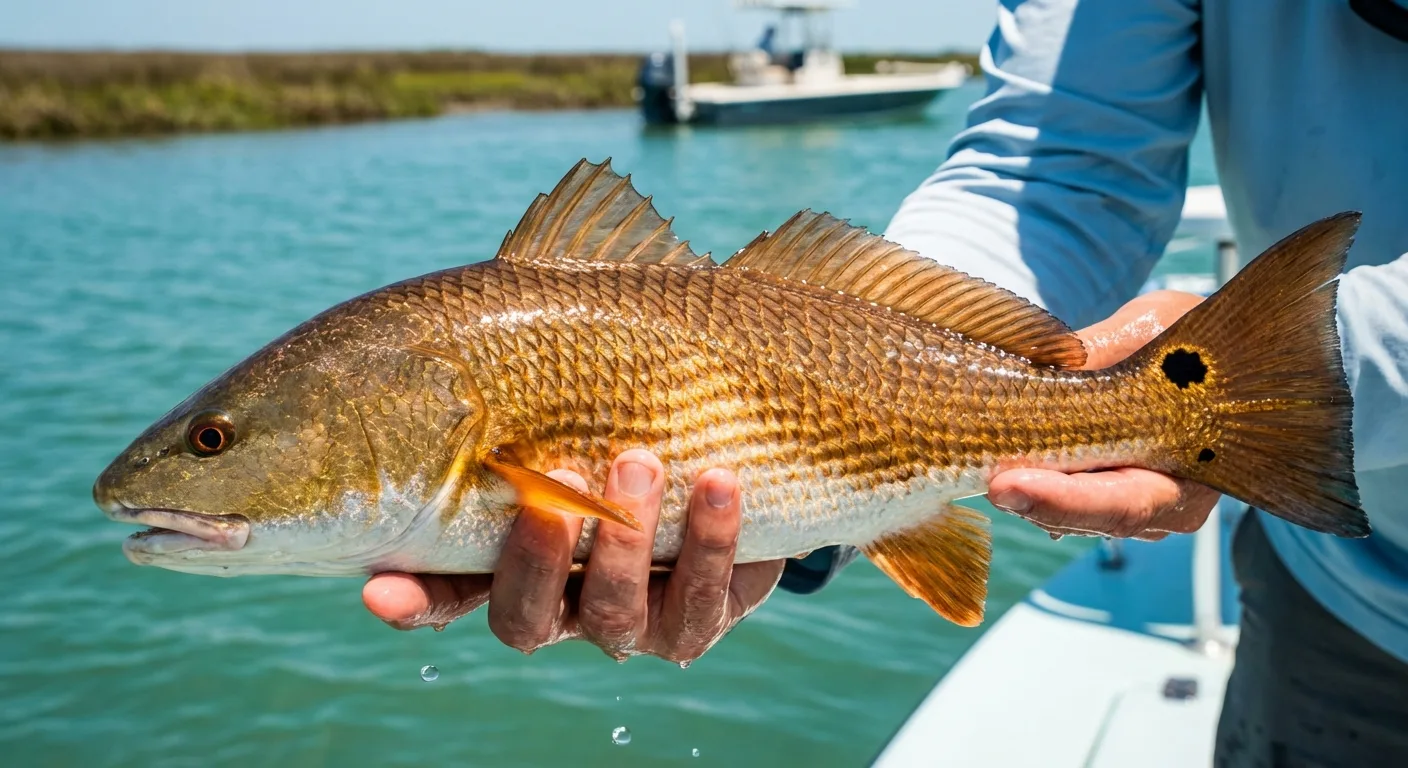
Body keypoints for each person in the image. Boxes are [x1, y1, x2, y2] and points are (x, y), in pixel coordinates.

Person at [364, 1, 1408, 763]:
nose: (198, 461)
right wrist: (817, 510)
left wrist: (1322, 367)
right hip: (1340, 594)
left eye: (216, 440)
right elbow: (1062, 160)